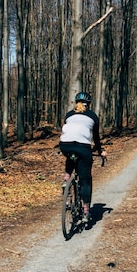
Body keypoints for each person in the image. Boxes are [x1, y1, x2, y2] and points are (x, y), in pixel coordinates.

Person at [58, 92, 107, 223]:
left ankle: (66, 178)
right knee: (86, 181)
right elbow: (95, 137)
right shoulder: (93, 116)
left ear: (76, 102)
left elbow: (68, 131)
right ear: (89, 104)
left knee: (71, 156)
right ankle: (86, 212)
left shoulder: (69, 114)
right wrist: (100, 150)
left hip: (64, 145)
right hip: (83, 147)